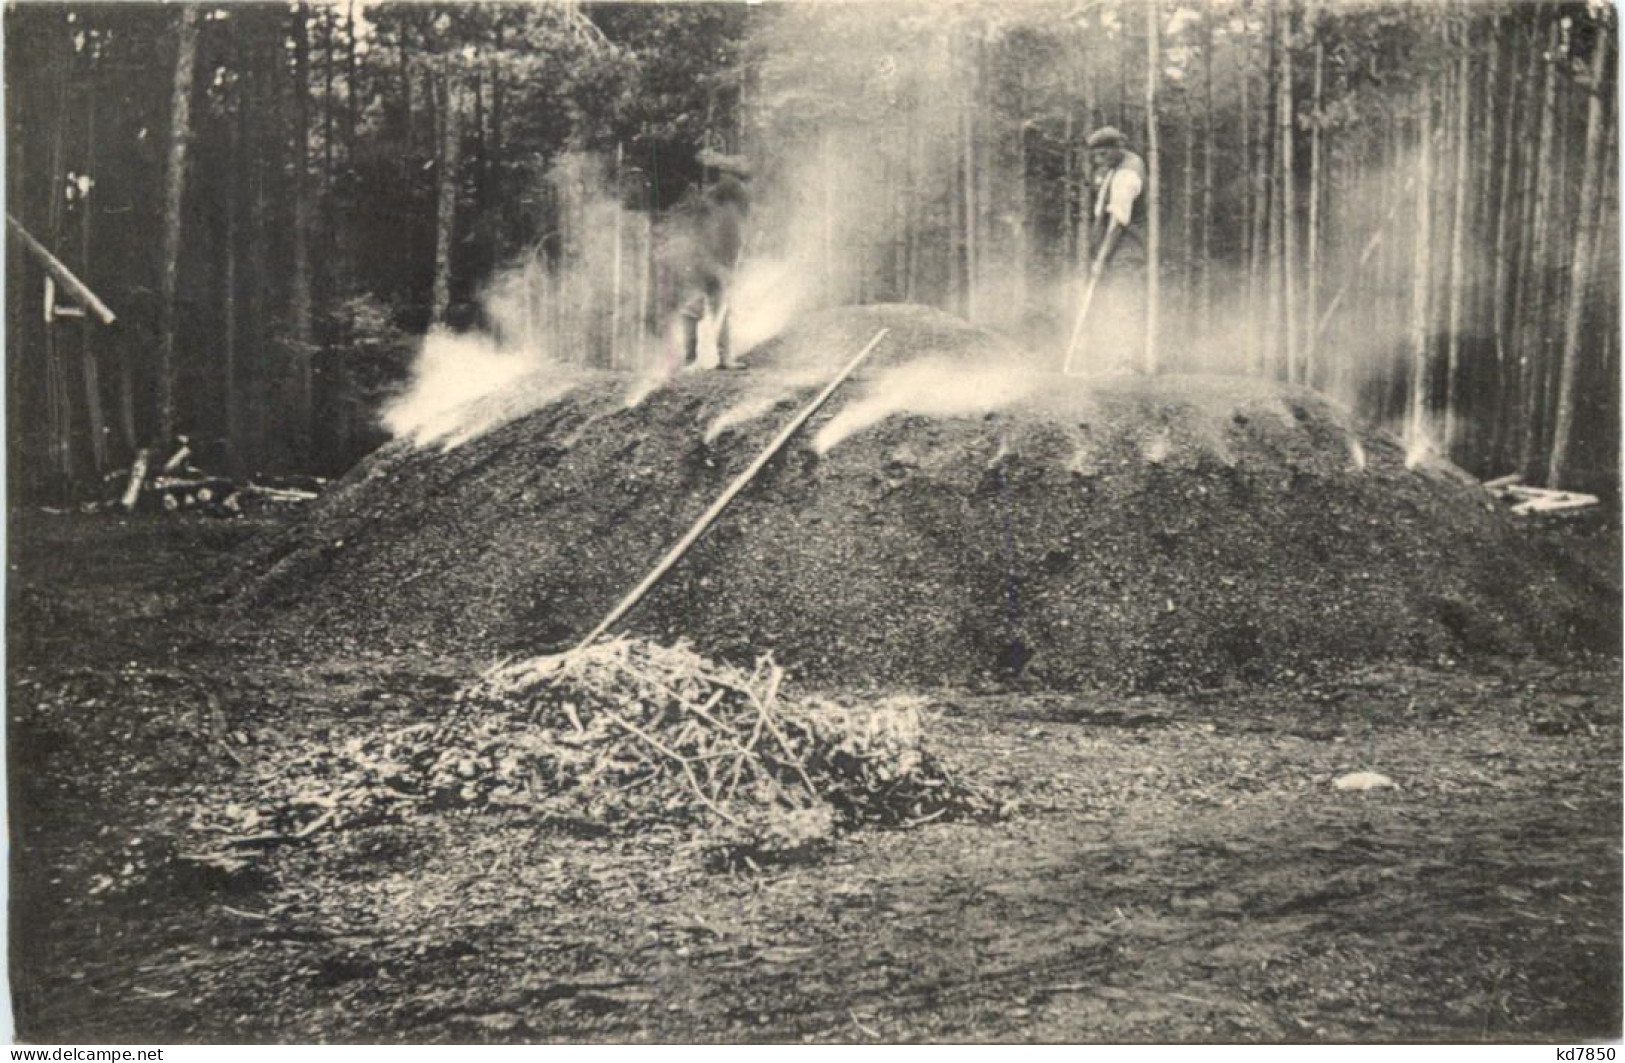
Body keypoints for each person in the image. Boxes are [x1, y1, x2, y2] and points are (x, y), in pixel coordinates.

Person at [1081, 126, 1147, 369]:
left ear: (1118, 149)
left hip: (1126, 249)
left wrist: (1101, 258)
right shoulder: (1121, 164)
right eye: (1096, 155)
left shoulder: (1126, 175)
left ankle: (1126, 363)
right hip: (1117, 249)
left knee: (1123, 304)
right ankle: (1117, 361)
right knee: (1115, 304)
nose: (1099, 160)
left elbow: (1118, 223)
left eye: (1104, 154)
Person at [678, 152, 752, 370]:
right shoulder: (718, 208)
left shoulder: (713, 205)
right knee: (702, 307)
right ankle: (695, 359)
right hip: (705, 263)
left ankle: (703, 358)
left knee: (709, 309)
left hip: (708, 263)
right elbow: (711, 240)